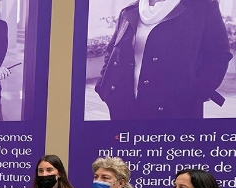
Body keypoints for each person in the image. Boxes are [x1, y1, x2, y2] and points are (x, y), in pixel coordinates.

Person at [95, 0, 232, 120]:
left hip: (175, 109)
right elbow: (112, 50)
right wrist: (103, 84)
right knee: (128, 149)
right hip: (124, 105)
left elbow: (218, 55)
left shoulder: (202, 7)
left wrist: (198, 91)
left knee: (171, 149)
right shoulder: (130, 10)